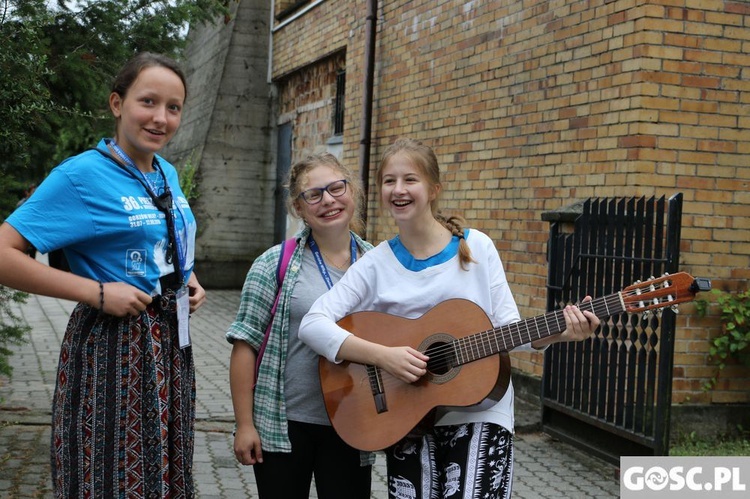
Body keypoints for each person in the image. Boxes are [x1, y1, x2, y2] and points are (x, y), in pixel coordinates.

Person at [299, 138, 601, 498]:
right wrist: (383, 356)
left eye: (410, 180)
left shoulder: (477, 249)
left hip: (480, 410)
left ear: (433, 189)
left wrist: (562, 333)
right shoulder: (376, 263)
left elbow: (508, 330)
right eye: (388, 181)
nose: (398, 190)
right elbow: (312, 323)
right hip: (406, 413)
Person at [0, 52, 206, 498]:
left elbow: (161, 237)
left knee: (165, 476)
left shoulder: (165, 172)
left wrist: (186, 277)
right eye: (147, 102)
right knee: (110, 475)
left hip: (170, 344)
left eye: (173, 107)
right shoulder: (81, 176)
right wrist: (94, 291)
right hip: (114, 348)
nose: (161, 118)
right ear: (117, 103)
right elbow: (3, 253)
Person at [227, 152, 374, 498]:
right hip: (284, 425)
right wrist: (245, 425)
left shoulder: (377, 264)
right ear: (298, 208)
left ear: (352, 192)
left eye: (337, 188)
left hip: (353, 422)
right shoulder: (272, 264)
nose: (328, 200)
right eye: (314, 194)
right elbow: (244, 346)